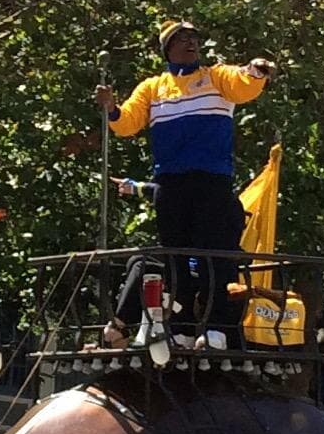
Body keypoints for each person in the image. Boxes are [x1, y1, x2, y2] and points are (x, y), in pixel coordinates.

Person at [95, 19, 276, 351]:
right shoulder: (153, 87)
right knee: (175, 258)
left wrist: (256, 71)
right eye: (181, 39)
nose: (190, 43)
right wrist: (111, 108)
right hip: (170, 182)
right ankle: (181, 329)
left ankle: (217, 330)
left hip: (211, 180)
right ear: (167, 49)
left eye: (193, 37)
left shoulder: (215, 77)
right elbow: (128, 122)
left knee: (213, 257)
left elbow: (243, 83)